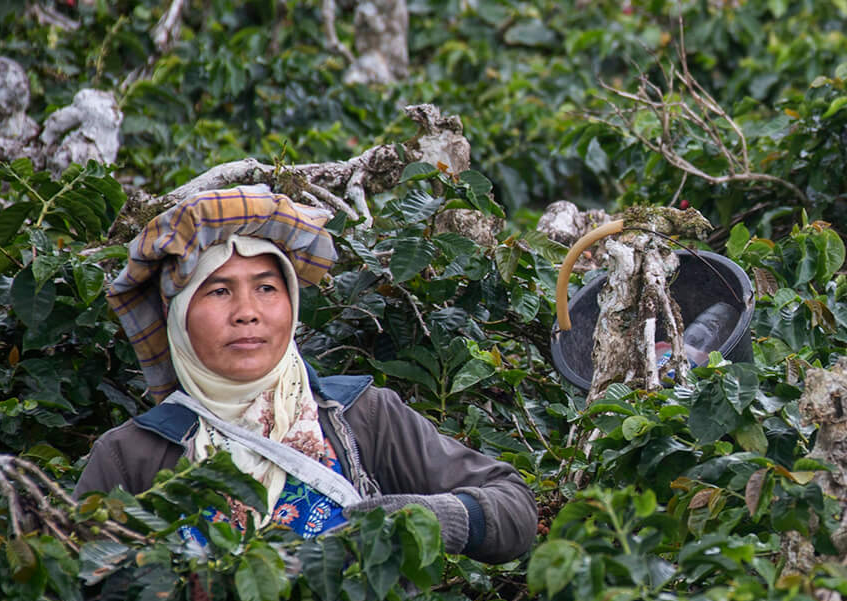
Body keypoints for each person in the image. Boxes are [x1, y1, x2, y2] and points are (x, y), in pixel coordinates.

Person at [76, 186, 537, 565]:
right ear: (178, 317)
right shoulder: (129, 456)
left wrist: (437, 517)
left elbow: (515, 507)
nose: (247, 314)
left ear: (292, 303)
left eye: (266, 288)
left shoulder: (362, 416)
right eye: (218, 291)